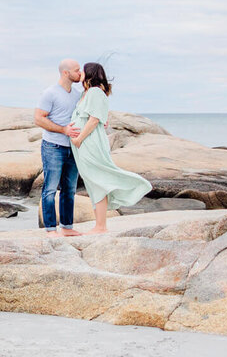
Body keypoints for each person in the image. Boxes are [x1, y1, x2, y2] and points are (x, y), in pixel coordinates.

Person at [68, 62, 151, 234]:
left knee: (98, 179)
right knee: (93, 181)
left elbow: (94, 120)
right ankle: (99, 225)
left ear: (90, 73)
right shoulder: (87, 93)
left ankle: (101, 226)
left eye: (83, 70)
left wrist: (79, 140)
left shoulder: (95, 92)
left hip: (88, 143)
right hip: (83, 144)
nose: (80, 73)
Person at [34, 59, 84, 236]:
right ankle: (50, 229)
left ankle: (67, 227)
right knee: (50, 188)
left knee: (69, 189)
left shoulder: (77, 94)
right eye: (77, 70)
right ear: (65, 73)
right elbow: (38, 118)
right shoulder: (50, 93)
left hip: (72, 148)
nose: (80, 73)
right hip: (53, 146)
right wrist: (63, 129)